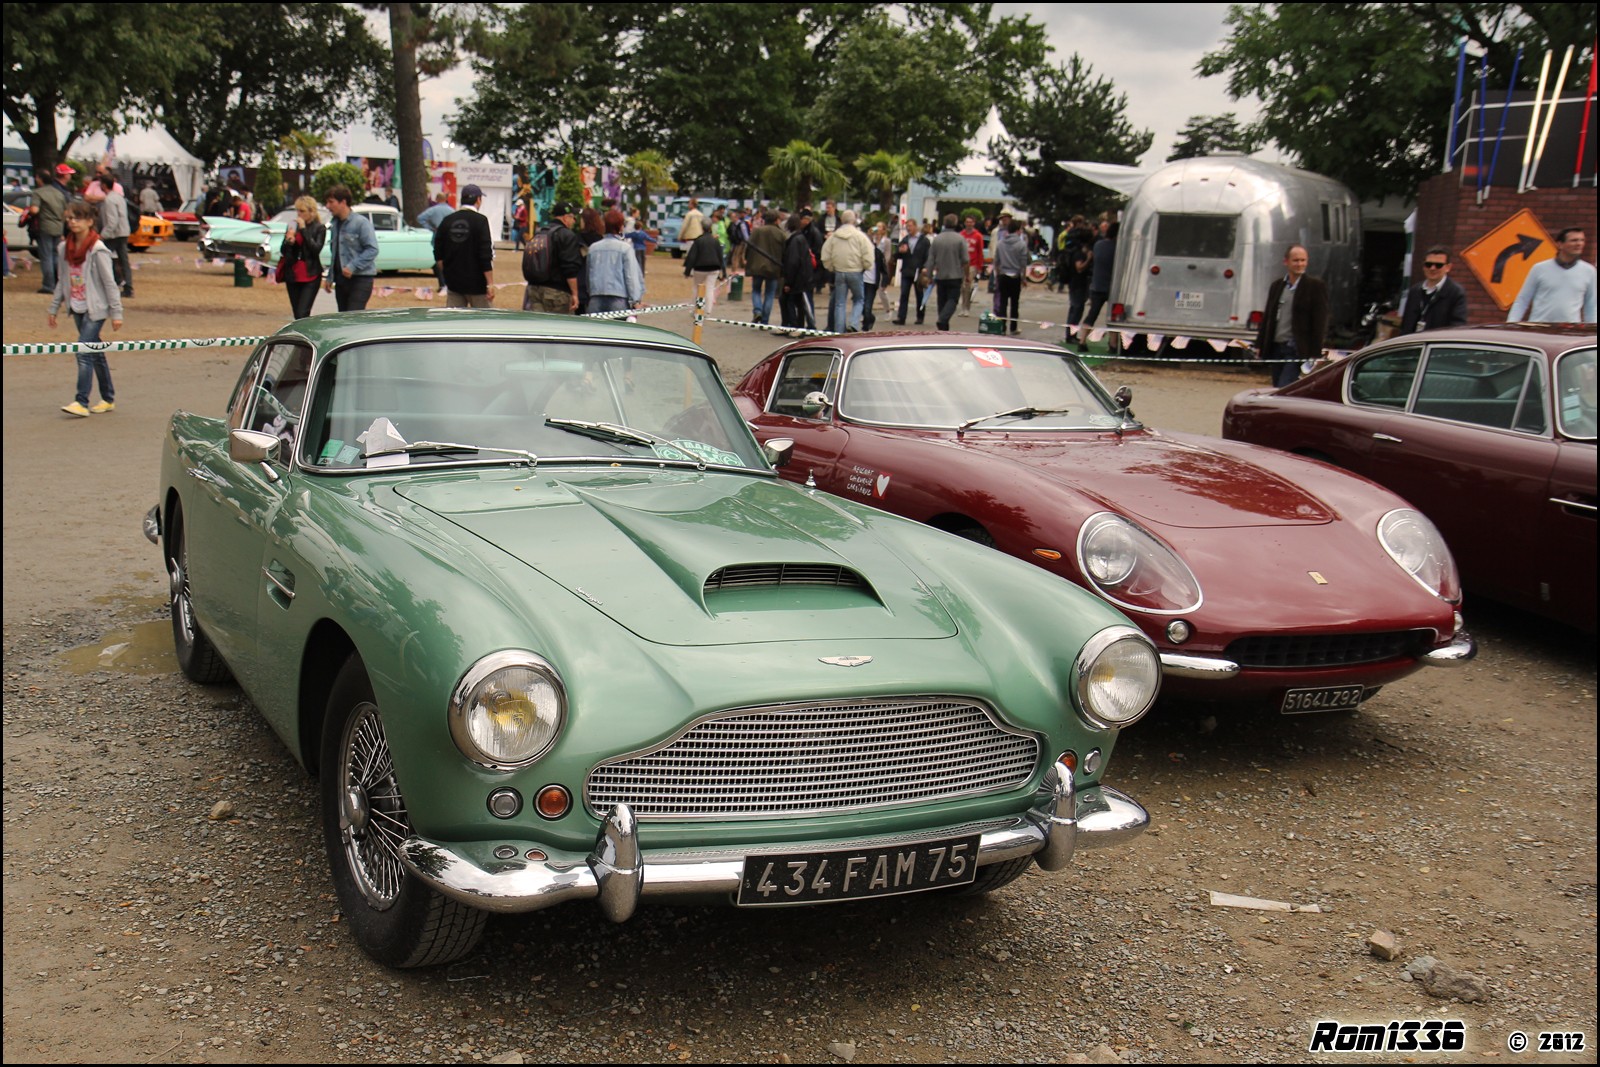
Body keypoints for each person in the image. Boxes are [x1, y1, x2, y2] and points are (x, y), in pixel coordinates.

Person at [47, 200, 123, 417]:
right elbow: (62, 280)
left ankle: (81, 401)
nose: (72, 222)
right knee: (96, 353)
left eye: (77, 218)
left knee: (83, 350)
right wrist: (54, 308)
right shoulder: (64, 248)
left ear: (90, 221)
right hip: (77, 307)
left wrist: (116, 313)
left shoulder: (98, 250)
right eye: (70, 218)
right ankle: (108, 398)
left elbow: (110, 283)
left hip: (96, 309)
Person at [1254, 244, 1329, 388]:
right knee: (1276, 386)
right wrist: (1260, 344)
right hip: (1277, 346)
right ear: (1286, 262)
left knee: (1285, 386)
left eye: (1303, 260)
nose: (1300, 264)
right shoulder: (1277, 286)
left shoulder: (1315, 286)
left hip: (1296, 348)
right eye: (1296, 260)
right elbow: (1268, 317)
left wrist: (1315, 352)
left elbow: (1320, 321)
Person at [1508, 228, 1596, 324]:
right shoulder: (1539, 268)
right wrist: (1511, 323)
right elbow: (1522, 300)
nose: (1579, 244)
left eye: (1582, 240)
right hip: (1539, 329)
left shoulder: (1589, 271)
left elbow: (1591, 305)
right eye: (1574, 240)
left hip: (1570, 332)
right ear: (1560, 244)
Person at [433, 182, 496, 308]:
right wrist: (490, 283)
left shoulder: (447, 220)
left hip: (454, 284)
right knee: (483, 323)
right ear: (478, 200)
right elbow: (485, 254)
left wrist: (447, 273)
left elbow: (438, 252)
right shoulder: (481, 221)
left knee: (454, 325)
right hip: (477, 284)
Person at [322, 184, 379, 311]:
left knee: (353, 317)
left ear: (343, 202)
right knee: (343, 318)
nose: (328, 206)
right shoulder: (335, 224)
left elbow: (372, 249)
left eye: (331, 202)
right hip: (341, 280)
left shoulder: (361, 223)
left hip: (360, 279)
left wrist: (352, 266)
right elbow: (335, 254)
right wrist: (330, 277)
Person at [522, 201, 584, 313]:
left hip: (534, 289)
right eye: (573, 218)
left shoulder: (540, 233)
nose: (574, 221)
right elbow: (570, 268)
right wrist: (575, 294)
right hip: (557, 292)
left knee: (538, 327)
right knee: (559, 328)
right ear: (565, 218)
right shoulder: (567, 235)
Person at [821, 209, 874, 333]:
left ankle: (839, 330)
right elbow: (868, 253)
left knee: (840, 303)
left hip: (839, 271)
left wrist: (831, 267)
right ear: (854, 220)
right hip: (856, 271)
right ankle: (854, 323)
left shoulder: (834, 236)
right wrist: (866, 266)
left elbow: (825, 253)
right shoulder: (860, 236)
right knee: (859, 299)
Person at [586, 208, 644, 314]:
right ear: (621, 226)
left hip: (596, 297)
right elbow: (631, 276)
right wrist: (635, 300)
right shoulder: (625, 248)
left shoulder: (593, 248)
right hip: (618, 298)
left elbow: (588, 274)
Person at [1399, 246, 1469, 334]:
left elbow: (1457, 327)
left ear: (1448, 267)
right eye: (1428, 264)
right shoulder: (1415, 291)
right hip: (1413, 343)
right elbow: (1405, 324)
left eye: (1438, 265)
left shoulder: (1455, 293)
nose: (1432, 268)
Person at [278, 195, 326, 319]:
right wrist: (289, 242)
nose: (299, 214)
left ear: (312, 212)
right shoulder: (293, 226)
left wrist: (304, 230)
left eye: (302, 211)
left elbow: (315, 249)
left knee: (303, 312)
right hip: (293, 273)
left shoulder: (319, 228)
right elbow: (283, 251)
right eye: (297, 210)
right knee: (297, 314)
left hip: (310, 273)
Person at [1076, 221, 1119, 351]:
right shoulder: (1118, 248)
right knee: (1113, 317)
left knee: (1092, 314)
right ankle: (1113, 344)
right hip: (1113, 287)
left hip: (1097, 284)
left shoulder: (1098, 245)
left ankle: (1082, 341)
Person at [95, 174, 134, 298]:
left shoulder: (109, 200)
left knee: (103, 256)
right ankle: (127, 286)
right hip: (123, 231)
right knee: (123, 260)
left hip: (114, 234)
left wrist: (102, 235)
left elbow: (112, 221)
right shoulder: (119, 197)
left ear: (104, 185)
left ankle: (115, 281)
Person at [746, 208, 786, 326]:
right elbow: (785, 251)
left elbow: (749, 246)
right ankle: (765, 320)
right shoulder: (781, 234)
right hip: (774, 267)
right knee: (769, 293)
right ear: (776, 220)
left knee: (756, 290)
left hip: (757, 265)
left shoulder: (757, 231)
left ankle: (757, 310)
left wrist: (747, 259)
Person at [929, 214, 969, 332]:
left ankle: (943, 327)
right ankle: (943, 319)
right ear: (955, 223)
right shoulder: (960, 239)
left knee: (941, 300)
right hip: (955, 274)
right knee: (952, 299)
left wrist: (929, 275)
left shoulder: (937, 239)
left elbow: (931, 259)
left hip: (940, 275)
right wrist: (967, 275)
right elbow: (966, 259)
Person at [32, 166, 69, 293]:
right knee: (55, 256)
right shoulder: (59, 193)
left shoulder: (38, 193)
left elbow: (34, 210)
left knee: (46, 256)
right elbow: (66, 212)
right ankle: (58, 282)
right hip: (58, 227)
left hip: (45, 226)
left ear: (39, 179)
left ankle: (48, 285)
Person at [780, 212, 816, 333]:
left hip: (797, 278)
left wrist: (788, 282)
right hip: (802, 277)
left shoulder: (795, 241)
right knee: (799, 303)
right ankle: (797, 326)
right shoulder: (800, 238)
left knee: (792, 302)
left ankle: (795, 326)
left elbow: (792, 262)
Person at [683, 216, 726, 314]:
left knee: (696, 288)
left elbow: (692, 257)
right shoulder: (715, 241)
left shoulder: (698, 241)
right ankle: (708, 311)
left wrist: (687, 271)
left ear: (702, 227)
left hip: (700, 268)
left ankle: (695, 309)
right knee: (710, 289)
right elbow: (720, 257)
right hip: (714, 268)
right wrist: (724, 273)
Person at [992, 217, 1028, 335]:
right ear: (1018, 230)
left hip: (1003, 275)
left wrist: (997, 274)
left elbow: (996, 261)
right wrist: (1023, 278)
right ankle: (1013, 327)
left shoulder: (1001, 243)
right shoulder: (1021, 244)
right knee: (1014, 303)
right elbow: (1023, 263)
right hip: (1015, 275)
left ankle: (1002, 327)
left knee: (1002, 302)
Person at [892, 219, 928, 325]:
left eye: (910, 226)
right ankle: (901, 317)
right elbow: (896, 255)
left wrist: (925, 267)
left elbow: (928, 255)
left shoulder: (924, 240)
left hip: (918, 271)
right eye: (907, 226)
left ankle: (920, 316)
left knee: (919, 294)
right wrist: (900, 251)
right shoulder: (905, 240)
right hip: (907, 270)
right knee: (904, 294)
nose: (908, 228)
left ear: (916, 226)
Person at [959, 215, 985, 316]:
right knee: (962, 287)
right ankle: (963, 307)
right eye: (967, 222)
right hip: (961, 264)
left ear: (974, 223)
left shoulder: (978, 236)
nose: (969, 224)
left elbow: (980, 252)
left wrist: (979, 266)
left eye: (971, 222)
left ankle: (967, 307)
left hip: (972, 264)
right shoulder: (961, 235)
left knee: (968, 286)